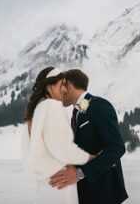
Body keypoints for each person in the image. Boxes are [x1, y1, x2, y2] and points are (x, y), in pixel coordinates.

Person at [49, 69, 128, 204]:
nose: (59, 93)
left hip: (105, 194)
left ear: (68, 85)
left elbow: (117, 148)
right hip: (87, 195)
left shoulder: (99, 105)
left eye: (61, 87)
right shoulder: (80, 109)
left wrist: (79, 173)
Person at [21, 66, 95, 204]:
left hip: (46, 185)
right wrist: (91, 158)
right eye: (62, 84)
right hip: (61, 184)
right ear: (49, 86)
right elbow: (62, 149)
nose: (65, 89)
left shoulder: (34, 113)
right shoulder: (51, 107)